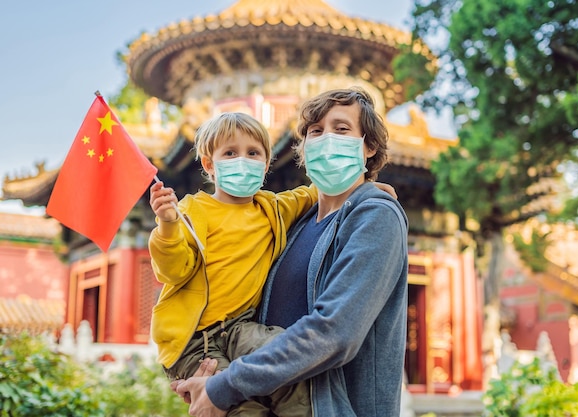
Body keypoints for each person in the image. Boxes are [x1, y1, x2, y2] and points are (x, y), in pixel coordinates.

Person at [176, 87, 409, 417]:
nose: (326, 139)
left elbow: (334, 332)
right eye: (316, 131)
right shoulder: (293, 224)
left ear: (368, 146)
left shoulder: (374, 216)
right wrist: (211, 376)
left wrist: (225, 386)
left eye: (341, 129)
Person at [149, 112, 317, 416]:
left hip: (242, 327)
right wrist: (168, 225)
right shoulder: (192, 211)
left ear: (266, 164)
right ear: (210, 164)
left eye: (253, 153)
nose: (243, 159)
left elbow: (317, 193)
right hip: (194, 340)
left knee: (288, 358)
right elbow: (172, 270)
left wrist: (364, 189)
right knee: (240, 408)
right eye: (230, 152)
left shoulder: (273, 209)